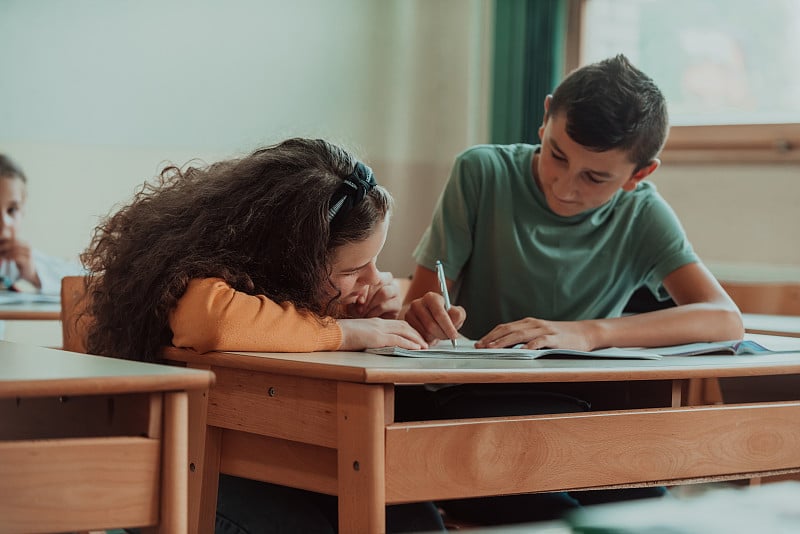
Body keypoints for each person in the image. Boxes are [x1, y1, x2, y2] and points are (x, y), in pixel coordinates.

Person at [400, 54, 744, 525]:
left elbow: (724, 318)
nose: (564, 186)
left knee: (649, 516)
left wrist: (586, 333)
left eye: (595, 177)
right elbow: (418, 306)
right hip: (470, 415)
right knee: (552, 517)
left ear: (638, 175)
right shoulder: (481, 173)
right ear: (544, 119)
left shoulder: (642, 213)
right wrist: (425, 314)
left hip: (579, 419)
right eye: (557, 155)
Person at [80, 138, 444, 533]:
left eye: (375, 262)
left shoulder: (299, 285)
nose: (374, 278)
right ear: (290, 260)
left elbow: (291, 318)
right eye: (353, 270)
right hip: (184, 468)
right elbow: (211, 322)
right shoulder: (193, 279)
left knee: (412, 519)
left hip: (275, 456)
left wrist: (353, 309)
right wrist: (344, 331)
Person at [0, 154, 84, 337]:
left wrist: (33, 274)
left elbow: (83, 281)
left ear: (23, 213)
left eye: (12, 210)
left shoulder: (17, 260)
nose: (4, 222)